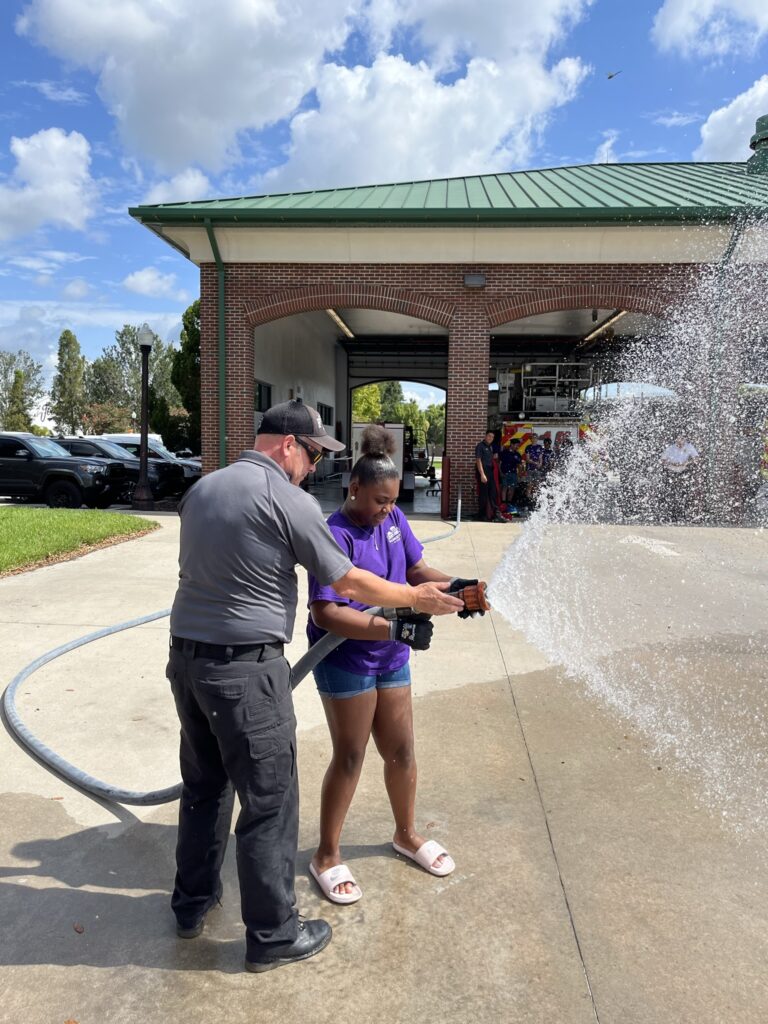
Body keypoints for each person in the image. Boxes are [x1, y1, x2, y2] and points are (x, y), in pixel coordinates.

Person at [166, 400, 462, 974]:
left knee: (204, 788)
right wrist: (414, 602)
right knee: (270, 802)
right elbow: (344, 580)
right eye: (310, 455)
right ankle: (274, 934)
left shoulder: (203, 490)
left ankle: (191, 904)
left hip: (187, 661)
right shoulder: (287, 497)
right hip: (246, 669)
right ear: (286, 446)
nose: (311, 468)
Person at [306, 427, 485, 903]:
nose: (387, 508)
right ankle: (326, 854)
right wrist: (395, 627)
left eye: (392, 501)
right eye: (380, 500)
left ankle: (405, 833)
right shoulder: (334, 534)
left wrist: (458, 587)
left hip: (391, 653)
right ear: (354, 489)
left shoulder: (393, 518)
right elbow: (325, 612)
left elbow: (415, 571)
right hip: (345, 657)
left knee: (402, 751)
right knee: (350, 756)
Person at [660, 435, 699, 520]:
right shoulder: (670, 448)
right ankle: (671, 514)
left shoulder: (689, 447)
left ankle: (682, 514)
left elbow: (696, 458)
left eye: (682, 439)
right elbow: (662, 460)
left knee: (684, 493)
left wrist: (687, 463)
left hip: (683, 472)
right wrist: (671, 463)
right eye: (678, 439)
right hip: (671, 472)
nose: (680, 441)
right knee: (671, 493)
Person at [475, 429, 504, 522]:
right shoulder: (480, 446)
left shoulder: (491, 447)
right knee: (483, 495)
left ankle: (496, 515)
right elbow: (478, 460)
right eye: (489, 436)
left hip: (490, 472)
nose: (491, 438)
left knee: (493, 493)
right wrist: (482, 474)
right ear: (485, 436)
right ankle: (482, 515)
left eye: (492, 437)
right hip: (484, 471)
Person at [499, 439, 523, 506]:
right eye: (516, 445)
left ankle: (509, 504)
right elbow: (500, 464)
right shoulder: (504, 452)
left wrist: (519, 474)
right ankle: (503, 504)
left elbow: (519, 465)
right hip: (505, 473)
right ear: (511, 444)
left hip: (513, 474)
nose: (517, 446)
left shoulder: (517, 454)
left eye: (518, 445)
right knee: (504, 488)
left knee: (512, 489)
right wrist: (500, 472)